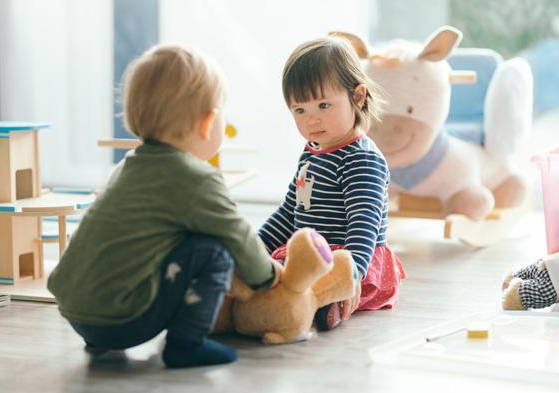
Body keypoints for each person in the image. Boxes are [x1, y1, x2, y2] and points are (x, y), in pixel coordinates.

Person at [48, 44, 281, 369]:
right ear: (207, 123)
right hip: (123, 320)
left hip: (76, 313)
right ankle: (187, 345)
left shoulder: (128, 167)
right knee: (214, 250)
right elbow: (236, 232)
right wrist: (267, 276)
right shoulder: (196, 178)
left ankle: (100, 338)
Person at [258, 35, 405, 331]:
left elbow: (363, 226)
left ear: (358, 97)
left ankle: (322, 304)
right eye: (300, 110)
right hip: (310, 252)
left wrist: (349, 275)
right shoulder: (311, 152)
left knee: (294, 286)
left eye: (323, 105)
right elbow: (290, 212)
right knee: (271, 274)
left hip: (350, 259)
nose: (312, 120)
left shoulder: (361, 159)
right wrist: (256, 247)